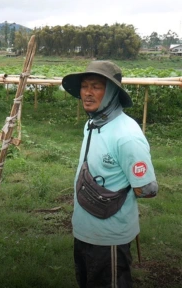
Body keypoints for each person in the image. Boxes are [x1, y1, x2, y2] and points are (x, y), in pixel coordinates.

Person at [62, 61, 158, 288]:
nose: (87, 92)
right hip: (84, 231)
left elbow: (146, 189)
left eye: (96, 86)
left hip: (109, 238)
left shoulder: (127, 135)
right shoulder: (93, 123)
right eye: (84, 86)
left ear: (112, 92)